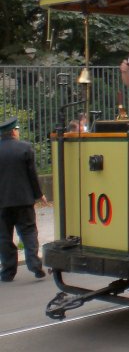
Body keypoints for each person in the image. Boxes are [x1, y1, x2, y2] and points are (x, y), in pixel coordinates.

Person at [0, 117, 47, 282]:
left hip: (2, 203)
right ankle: (35, 264)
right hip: (24, 200)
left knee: (4, 236)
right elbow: (32, 175)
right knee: (28, 232)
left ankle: (7, 272)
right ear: (13, 131)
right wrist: (39, 194)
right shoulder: (25, 148)